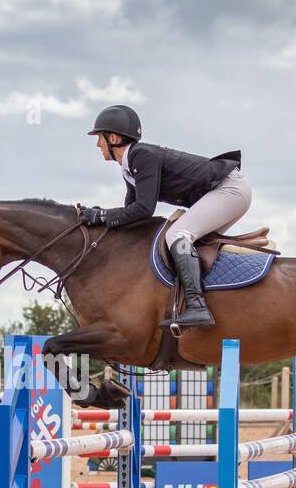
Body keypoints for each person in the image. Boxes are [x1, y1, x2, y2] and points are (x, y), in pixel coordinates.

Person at [80, 105, 251, 329]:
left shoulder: (141, 156)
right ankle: (203, 301)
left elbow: (143, 209)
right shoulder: (129, 166)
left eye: (100, 138)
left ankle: (197, 307)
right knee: (187, 240)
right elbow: (131, 215)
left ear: (113, 138)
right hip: (225, 191)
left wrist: (101, 215)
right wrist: (100, 221)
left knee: (177, 234)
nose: (98, 144)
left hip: (229, 190)